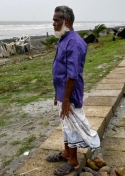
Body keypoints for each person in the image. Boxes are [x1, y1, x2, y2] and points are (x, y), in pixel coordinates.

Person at [46, 5, 101, 175]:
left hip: (71, 94)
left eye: (56, 20)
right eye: (53, 20)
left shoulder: (75, 42)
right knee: (66, 124)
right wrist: (58, 95)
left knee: (73, 126)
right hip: (62, 92)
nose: (53, 23)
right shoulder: (63, 38)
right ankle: (65, 153)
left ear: (67, 21)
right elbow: (60, 71)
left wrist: (67, 100)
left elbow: (72, 75)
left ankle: (73, 161)